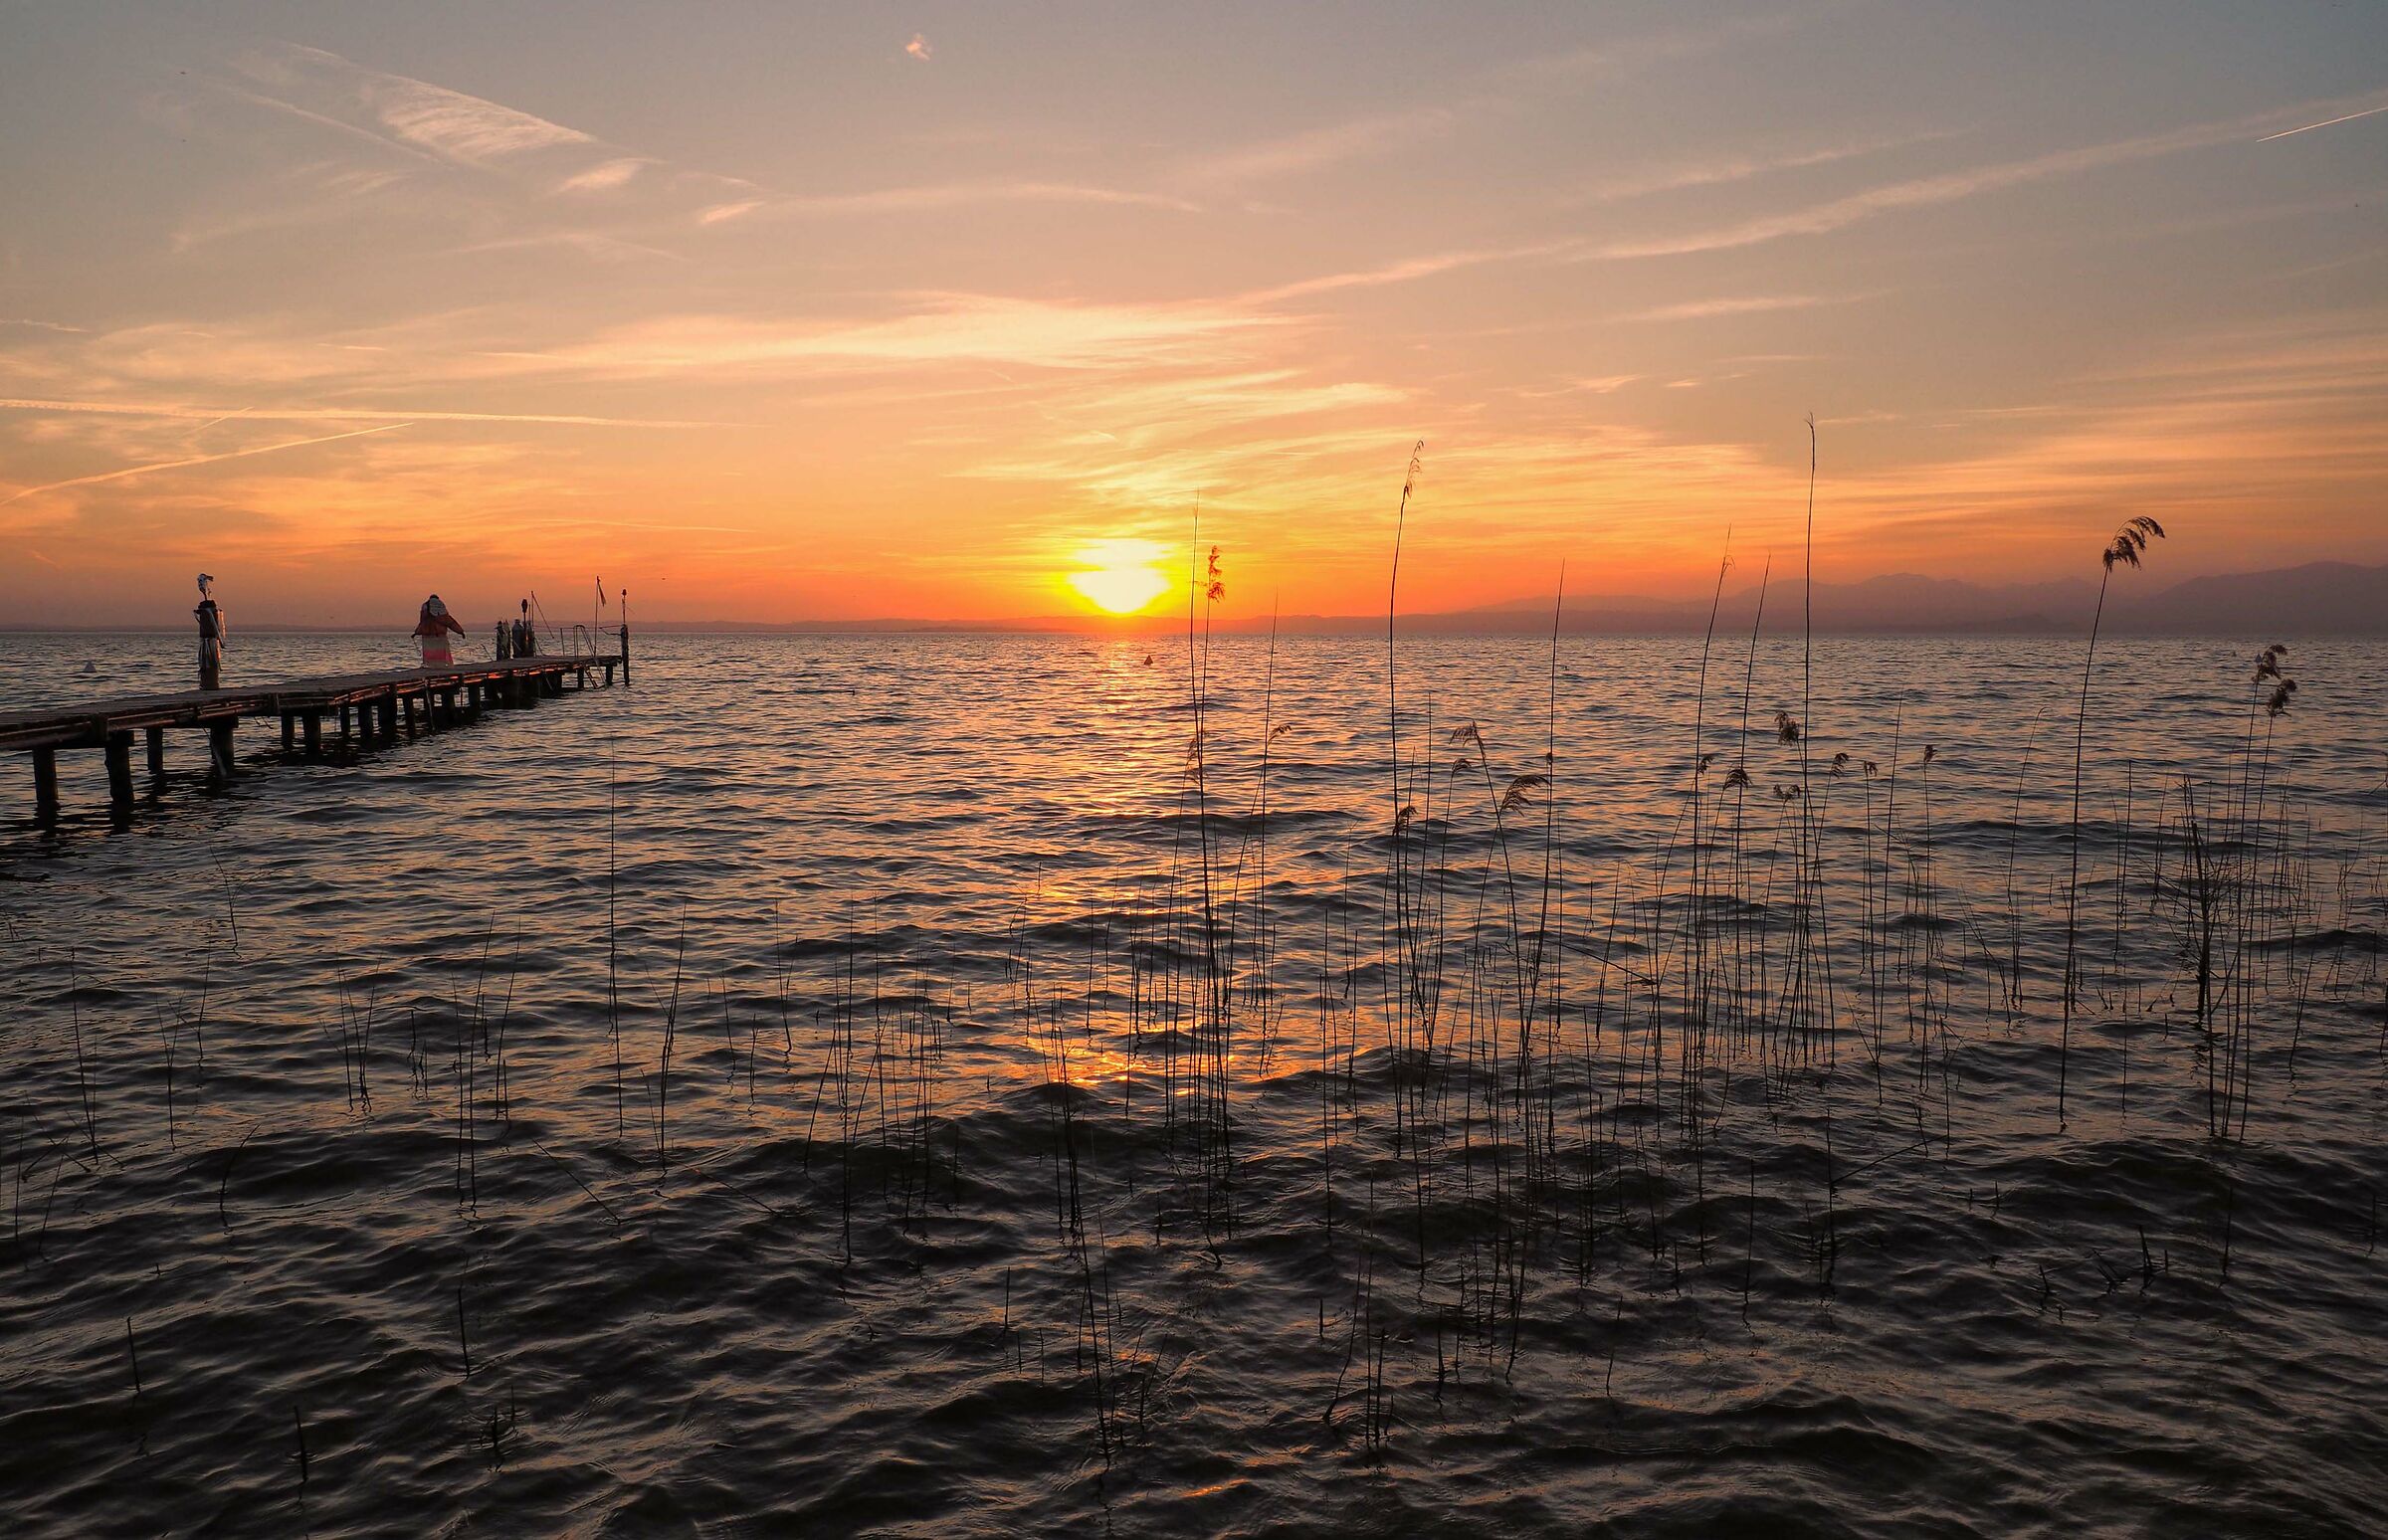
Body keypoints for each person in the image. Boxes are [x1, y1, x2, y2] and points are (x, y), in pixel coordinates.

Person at [414, 594, 466, 667]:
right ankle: (442, 664)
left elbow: (422, 622)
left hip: (427, 636)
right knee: (442, 651)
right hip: (440, 635)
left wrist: (416, 632)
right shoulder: (442, 610)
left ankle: (429, 665)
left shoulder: (425, 607)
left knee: (429, 652)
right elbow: (450, 623)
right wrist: (461, 632)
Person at [194, 573, 226, 689]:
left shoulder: (210, 612)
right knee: (207, 660)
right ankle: (209, 685)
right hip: (207, 640)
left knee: (211, 661)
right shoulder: (206, 612)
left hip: (211, 640)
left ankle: (210, 685)